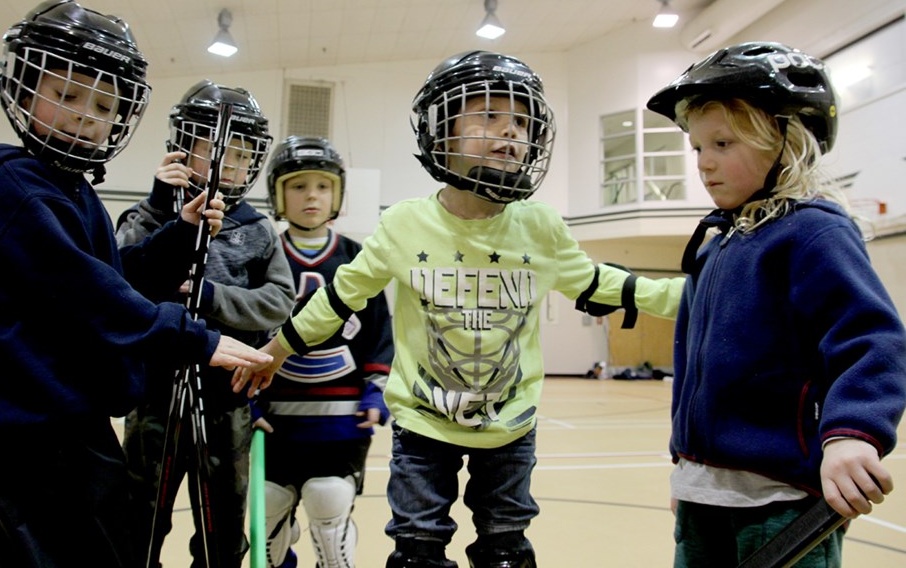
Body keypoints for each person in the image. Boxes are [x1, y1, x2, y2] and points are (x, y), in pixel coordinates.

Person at [233, 50, 685, 568]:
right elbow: (338, 299)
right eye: (489, 115)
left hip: (511, 427)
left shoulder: (539, 226)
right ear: (442, 131)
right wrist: (276, 350)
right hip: (423, 426)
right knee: (416, 550)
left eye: (520, 120)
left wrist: (691, 296)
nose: (510, 131)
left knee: (505, 550)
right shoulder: (404, 225)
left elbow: (595, 281)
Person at [0, 0, 272, 568]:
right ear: (23, 93)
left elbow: (118, 276)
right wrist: (200, 338)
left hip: (73, 421)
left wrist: (180, 232)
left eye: (103, 103)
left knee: (111, 548)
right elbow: (87, 294)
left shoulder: (72, 190)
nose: (85, 115)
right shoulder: (15, 188)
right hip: (25, 431)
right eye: (66, 95)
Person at [646, 41, 906, 567]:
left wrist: (852, 435)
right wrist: (690, 468)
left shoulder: (812, 232)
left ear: (784, 141)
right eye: (697, 148)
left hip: (782, 501)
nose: (704, 162)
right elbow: (693, 366)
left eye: (722, 142)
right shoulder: (714, 245)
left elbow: (872, 340)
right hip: (703, 495)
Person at [114, 80, 296, 568]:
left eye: (239, 154)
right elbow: (122, 286)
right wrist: (159, 209)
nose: (224, 163)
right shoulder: (144, 217)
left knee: (222, 522)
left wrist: (211, 296)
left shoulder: (257, 230)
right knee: (140, 516)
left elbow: (278, 302)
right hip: (154, 398)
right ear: (183, 150)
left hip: (225, 399)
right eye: (211, 150)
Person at [254, 135, 395, 568]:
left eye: (322, 186)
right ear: (278, 194)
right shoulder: (262, 255)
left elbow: (377, 333)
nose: (311, 195)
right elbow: (244, 330)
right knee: (269, 508)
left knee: (328, 500)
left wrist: (375, 391)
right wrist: (247, 396)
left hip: (341, 418)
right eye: (298, 186)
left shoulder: (358, 259)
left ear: (337, 195)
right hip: (275, 416)